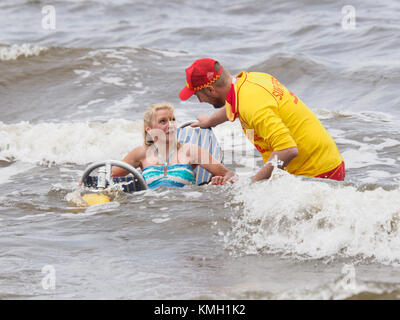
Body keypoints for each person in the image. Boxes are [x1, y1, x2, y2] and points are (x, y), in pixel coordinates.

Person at [179, 58, 345, 182]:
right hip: (325, 160)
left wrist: (254, 185)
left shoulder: (251, 105)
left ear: (210, 90)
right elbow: (235, 105)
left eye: (197, 95)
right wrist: (210, 121)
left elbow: (288, 150)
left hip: (318, 174)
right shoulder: (250, 80)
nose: (200, 101)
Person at [112, 102, 236, 189]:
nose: (170, 125)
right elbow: (107, 177)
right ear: (149, 129)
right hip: (150, 214)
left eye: (172, 120)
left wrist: (216, 185)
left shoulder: (190, 150)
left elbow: (230, 175)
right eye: (163, 121)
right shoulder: (140, 153)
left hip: (184, 212)